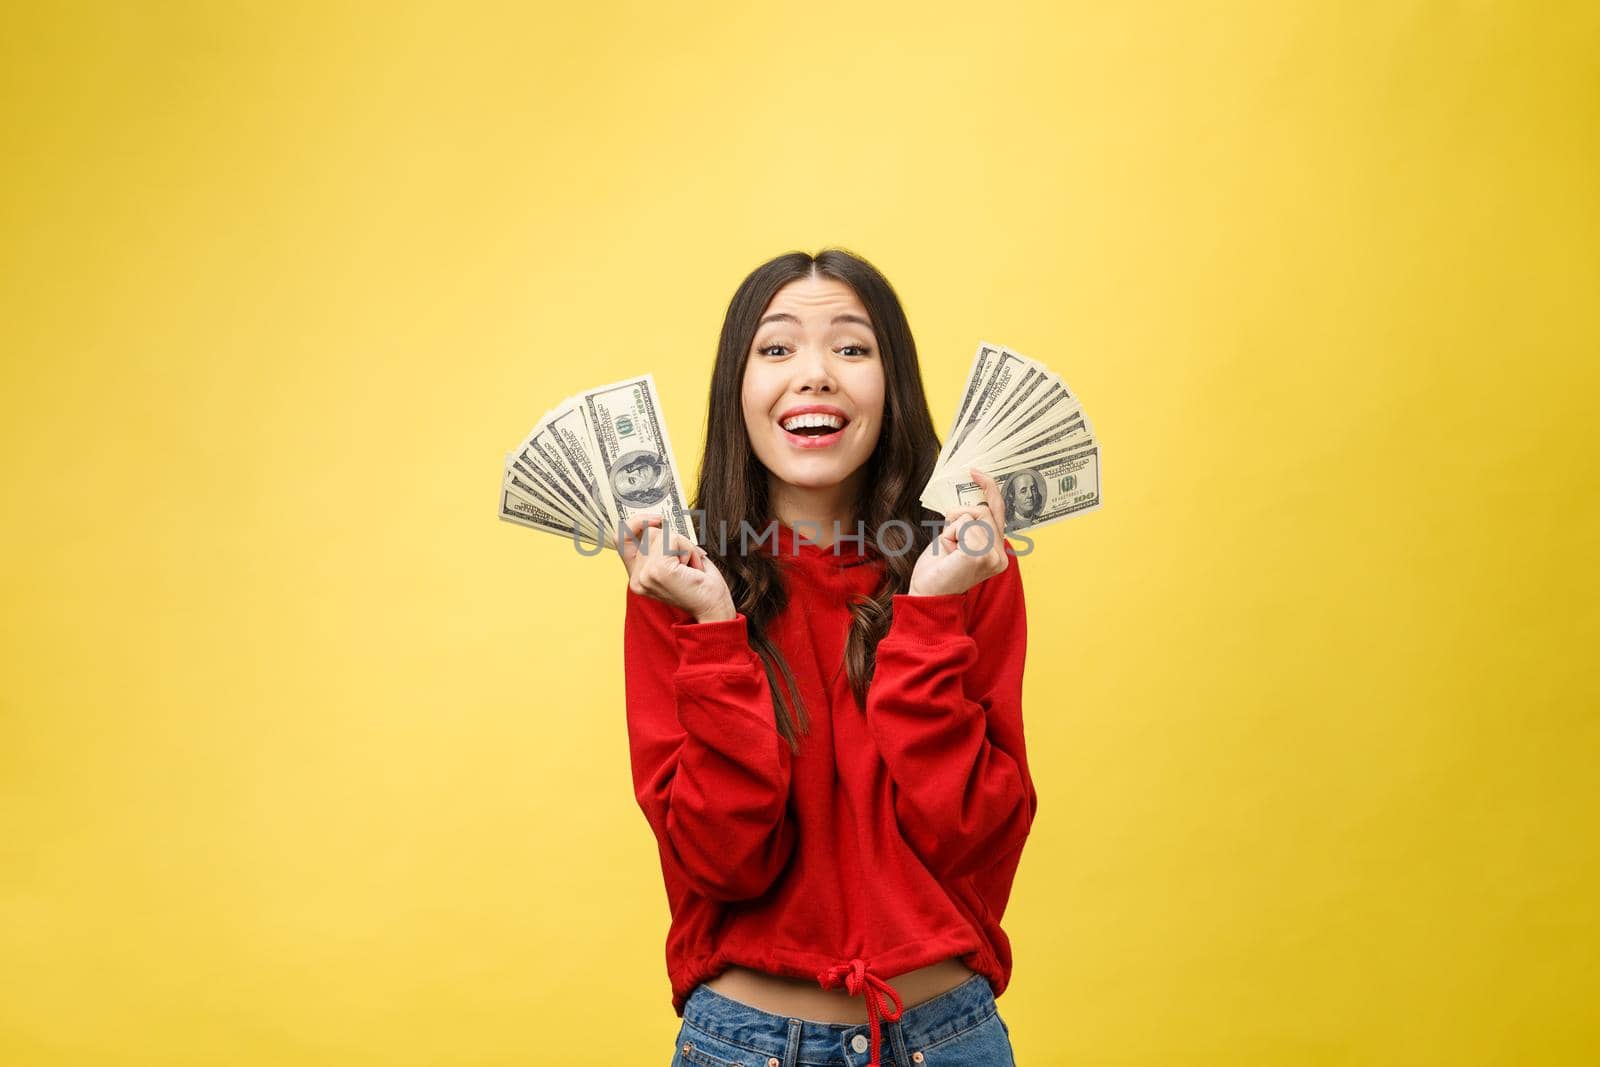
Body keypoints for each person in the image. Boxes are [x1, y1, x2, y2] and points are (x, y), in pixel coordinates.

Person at [618, 248, 1036, 1067]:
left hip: (945, 1037)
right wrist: (712, 629)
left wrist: (930, 610)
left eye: (851, 347)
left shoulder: (967, 560)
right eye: (776, 349)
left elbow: (975, 837)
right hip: (747, 1045)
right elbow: (722, 862)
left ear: (895, 386)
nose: (815, 374)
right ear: (737, 389)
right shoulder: (675, 577)